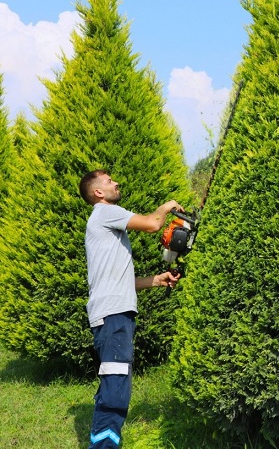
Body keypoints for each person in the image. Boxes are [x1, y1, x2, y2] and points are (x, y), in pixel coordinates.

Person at [78, 169, 183, 448]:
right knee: (115, 391)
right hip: (113, 317)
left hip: (115, 314)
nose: (116, 183)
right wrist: (166, 207)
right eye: (109, 181)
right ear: (98, 192)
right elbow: (151, 224)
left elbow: (120, 281)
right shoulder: (104, 212)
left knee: (114, 384)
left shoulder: (103, 223)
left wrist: (156, 281)